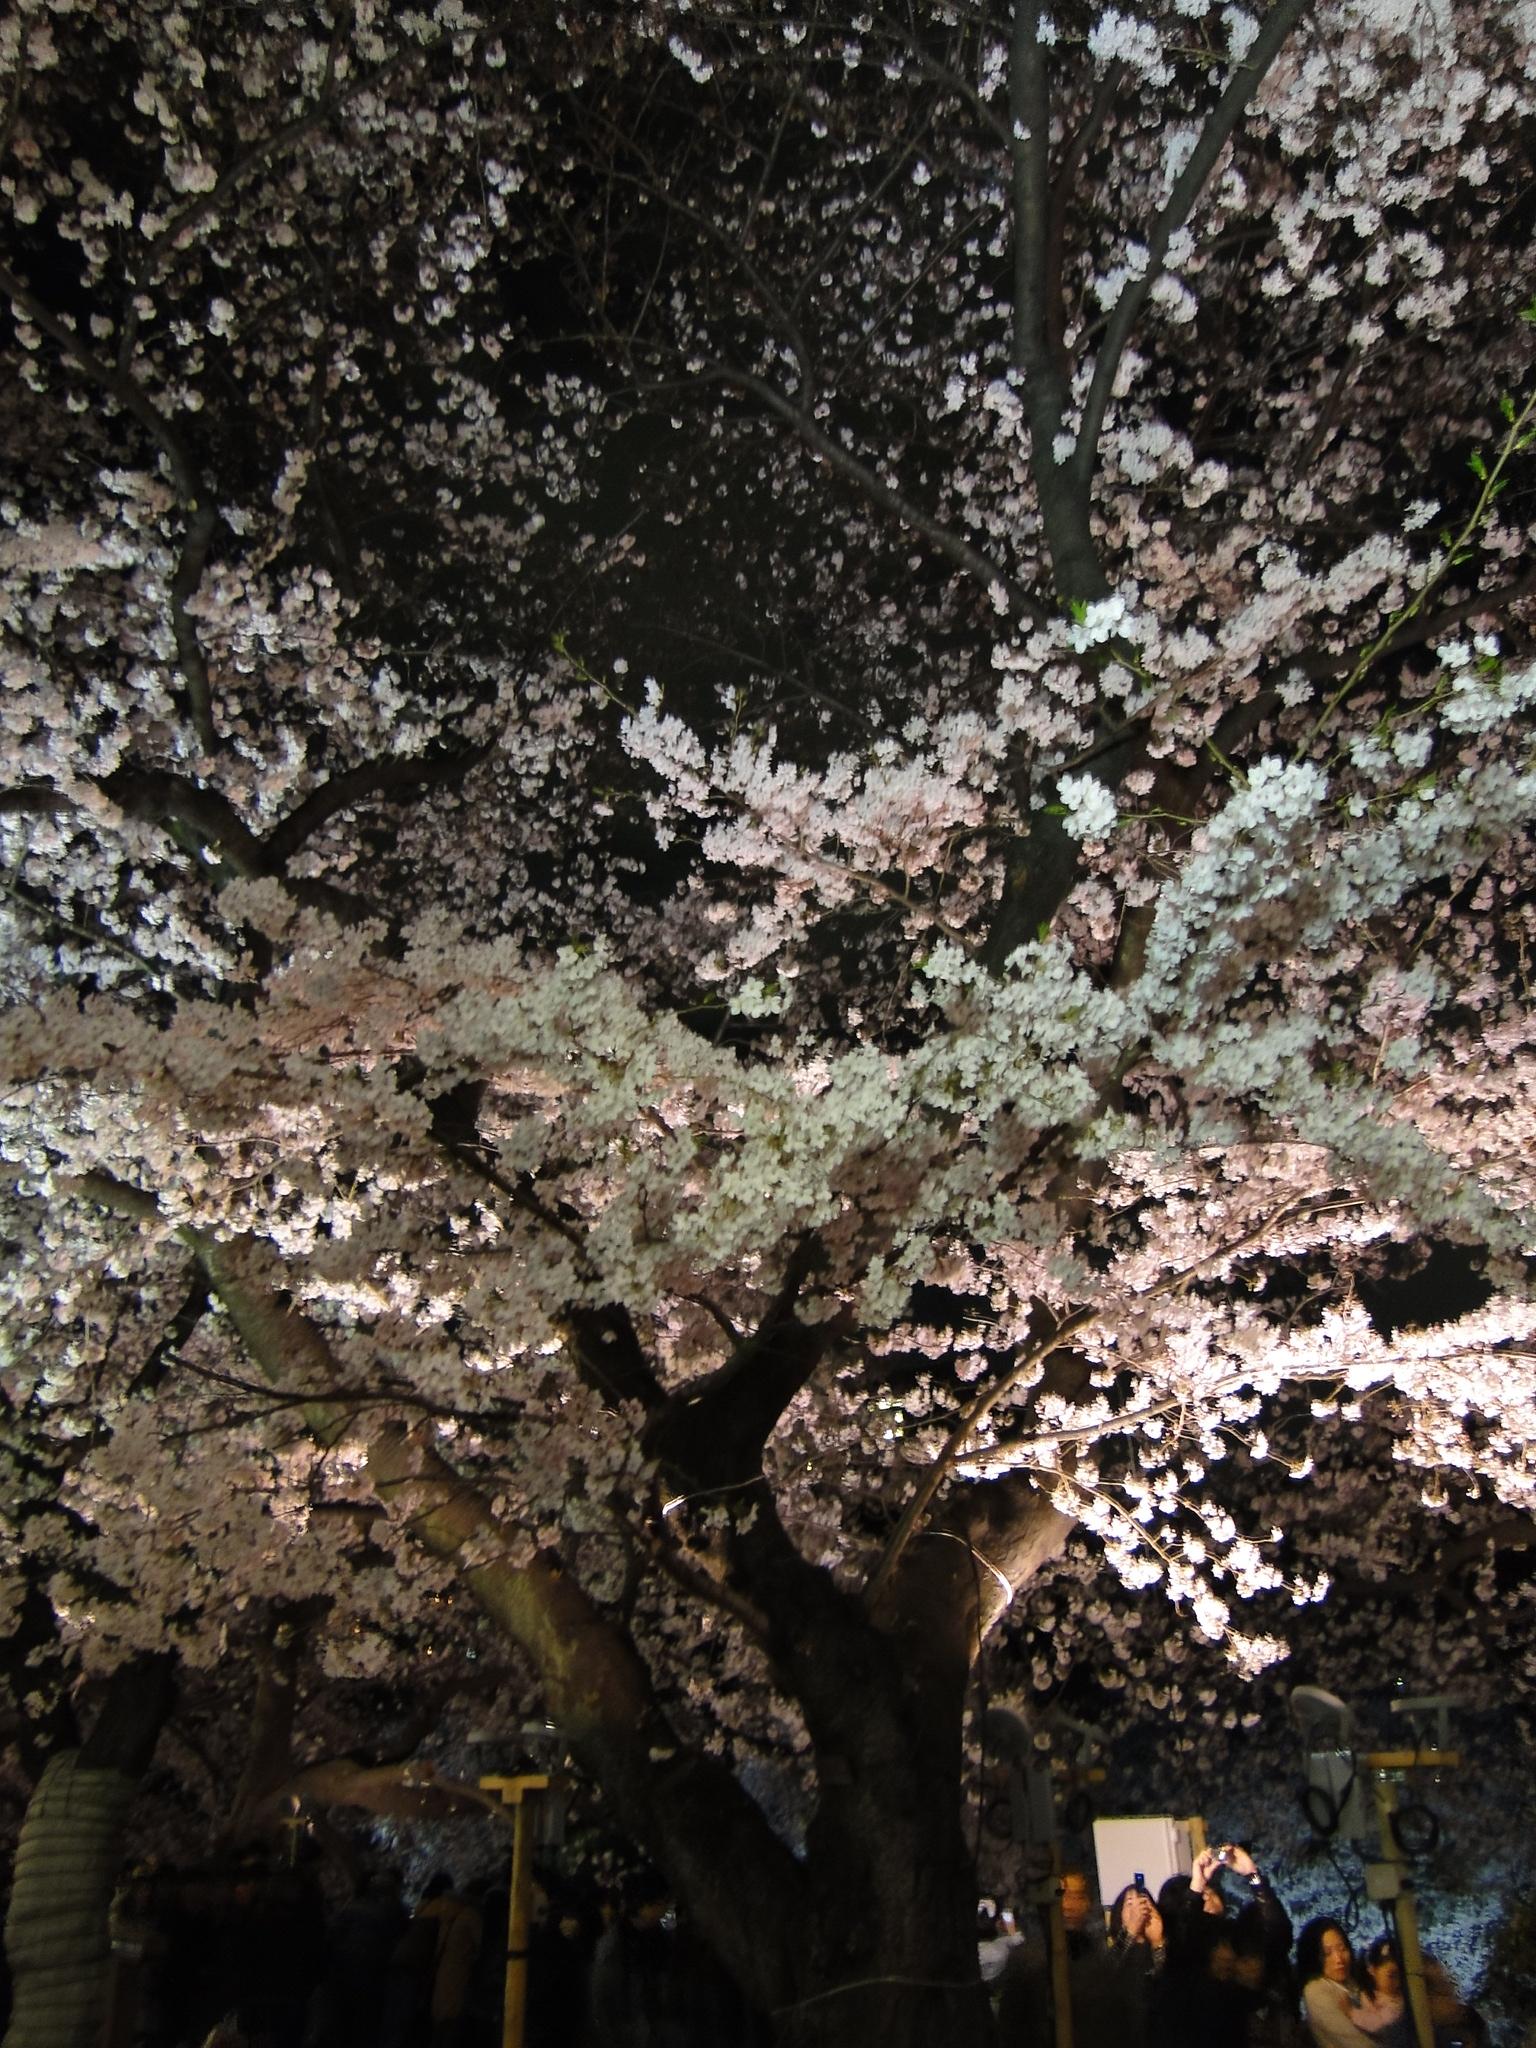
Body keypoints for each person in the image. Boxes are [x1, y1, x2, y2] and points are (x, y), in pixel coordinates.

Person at [998, 1869, 1146, 2048]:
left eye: (1077, 1897)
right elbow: (1011, 2028)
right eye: (1062, 1895)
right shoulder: (1027, 1958)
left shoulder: (1094, 1953)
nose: (1068, 1905)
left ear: (1087, 1903)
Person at [1297, 1918, 1389, 2048]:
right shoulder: (1316, 1990)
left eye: (1342, 1948)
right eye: (1327, 1953)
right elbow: (1352, 2040)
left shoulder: (1352, 1982)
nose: (1339, 1959)